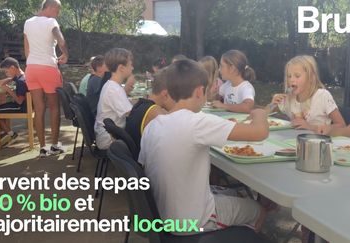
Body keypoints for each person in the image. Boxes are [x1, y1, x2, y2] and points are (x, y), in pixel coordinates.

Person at [139, 59, 269, 234]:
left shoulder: (153, 125)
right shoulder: (197, 121)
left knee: (234, 193)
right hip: (190, 221)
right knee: (257, 210)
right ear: (200, 91)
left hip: (160, 214)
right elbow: (259, 132)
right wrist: (261, 114)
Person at [23, 0, 69, 157]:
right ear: (51, 7)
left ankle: (43, 148)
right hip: (48, 68)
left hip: (31, 69)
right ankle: (55, 146)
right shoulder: (51, 22)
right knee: (54, 107)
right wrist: (65, 54)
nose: (58, 13)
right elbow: (61, 41)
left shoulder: (28, 22)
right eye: (58, 10)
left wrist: (33, 63)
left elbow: (26, 48)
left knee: (39, 108)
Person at [266, 55, 345, 132]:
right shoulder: (289, 98)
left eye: (297, 76)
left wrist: (310, 127)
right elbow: (263, 115)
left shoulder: (322, 96)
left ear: (311, 77)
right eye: (289, 76)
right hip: (293, 141)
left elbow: (342, 126)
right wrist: (272, 104)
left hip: (319, 142)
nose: (291, 80)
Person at [125, 67, 175, 150]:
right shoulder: (156, 114)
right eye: (177, 96)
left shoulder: (142, 104)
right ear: (165, 94)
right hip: (143, 161)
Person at [94, 48, 134, 150]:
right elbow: (132, 114)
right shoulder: (114, 89)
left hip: (107, 134)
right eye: (130, 64)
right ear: (121, 68)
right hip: (109, 139)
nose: (132, 68)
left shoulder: (112, 85)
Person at [0, 57, 28, 147]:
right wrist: (9, 79)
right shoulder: (21, 76)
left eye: (6, 71)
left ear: (12, 68)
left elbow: (19, 101)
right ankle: (7, 133)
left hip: (21, 107)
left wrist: (9, 90)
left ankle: (10, 134)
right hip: (23, 105)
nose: (6, 74)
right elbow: (11, 79)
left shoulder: (21, 81)